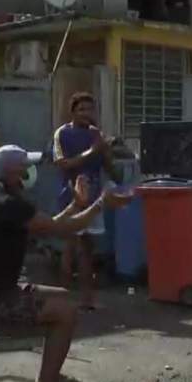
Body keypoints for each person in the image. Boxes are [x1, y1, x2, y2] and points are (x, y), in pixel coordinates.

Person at [0, 144, 132, 382]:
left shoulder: (5, 199)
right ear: (9, 171)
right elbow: (60, 229)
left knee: (64, 299)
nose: (29, 170)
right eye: (23, 165)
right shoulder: (9, 204)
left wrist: (77, 204)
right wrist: (101, 204)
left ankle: (52, 372)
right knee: (65, 313)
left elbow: (49, 225)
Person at [52, 93, 121, 312]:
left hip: (93, 199)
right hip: (71, 198)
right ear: (72, 112)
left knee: (87, 250)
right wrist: (93, 150)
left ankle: (86, 299)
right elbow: (63, 164)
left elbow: (113, 171)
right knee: (71, 247)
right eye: (81, 110)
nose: (86, 114)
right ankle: (64, 299)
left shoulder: (96, 135)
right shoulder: (62, 133)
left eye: (90, 110)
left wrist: (106, 151)